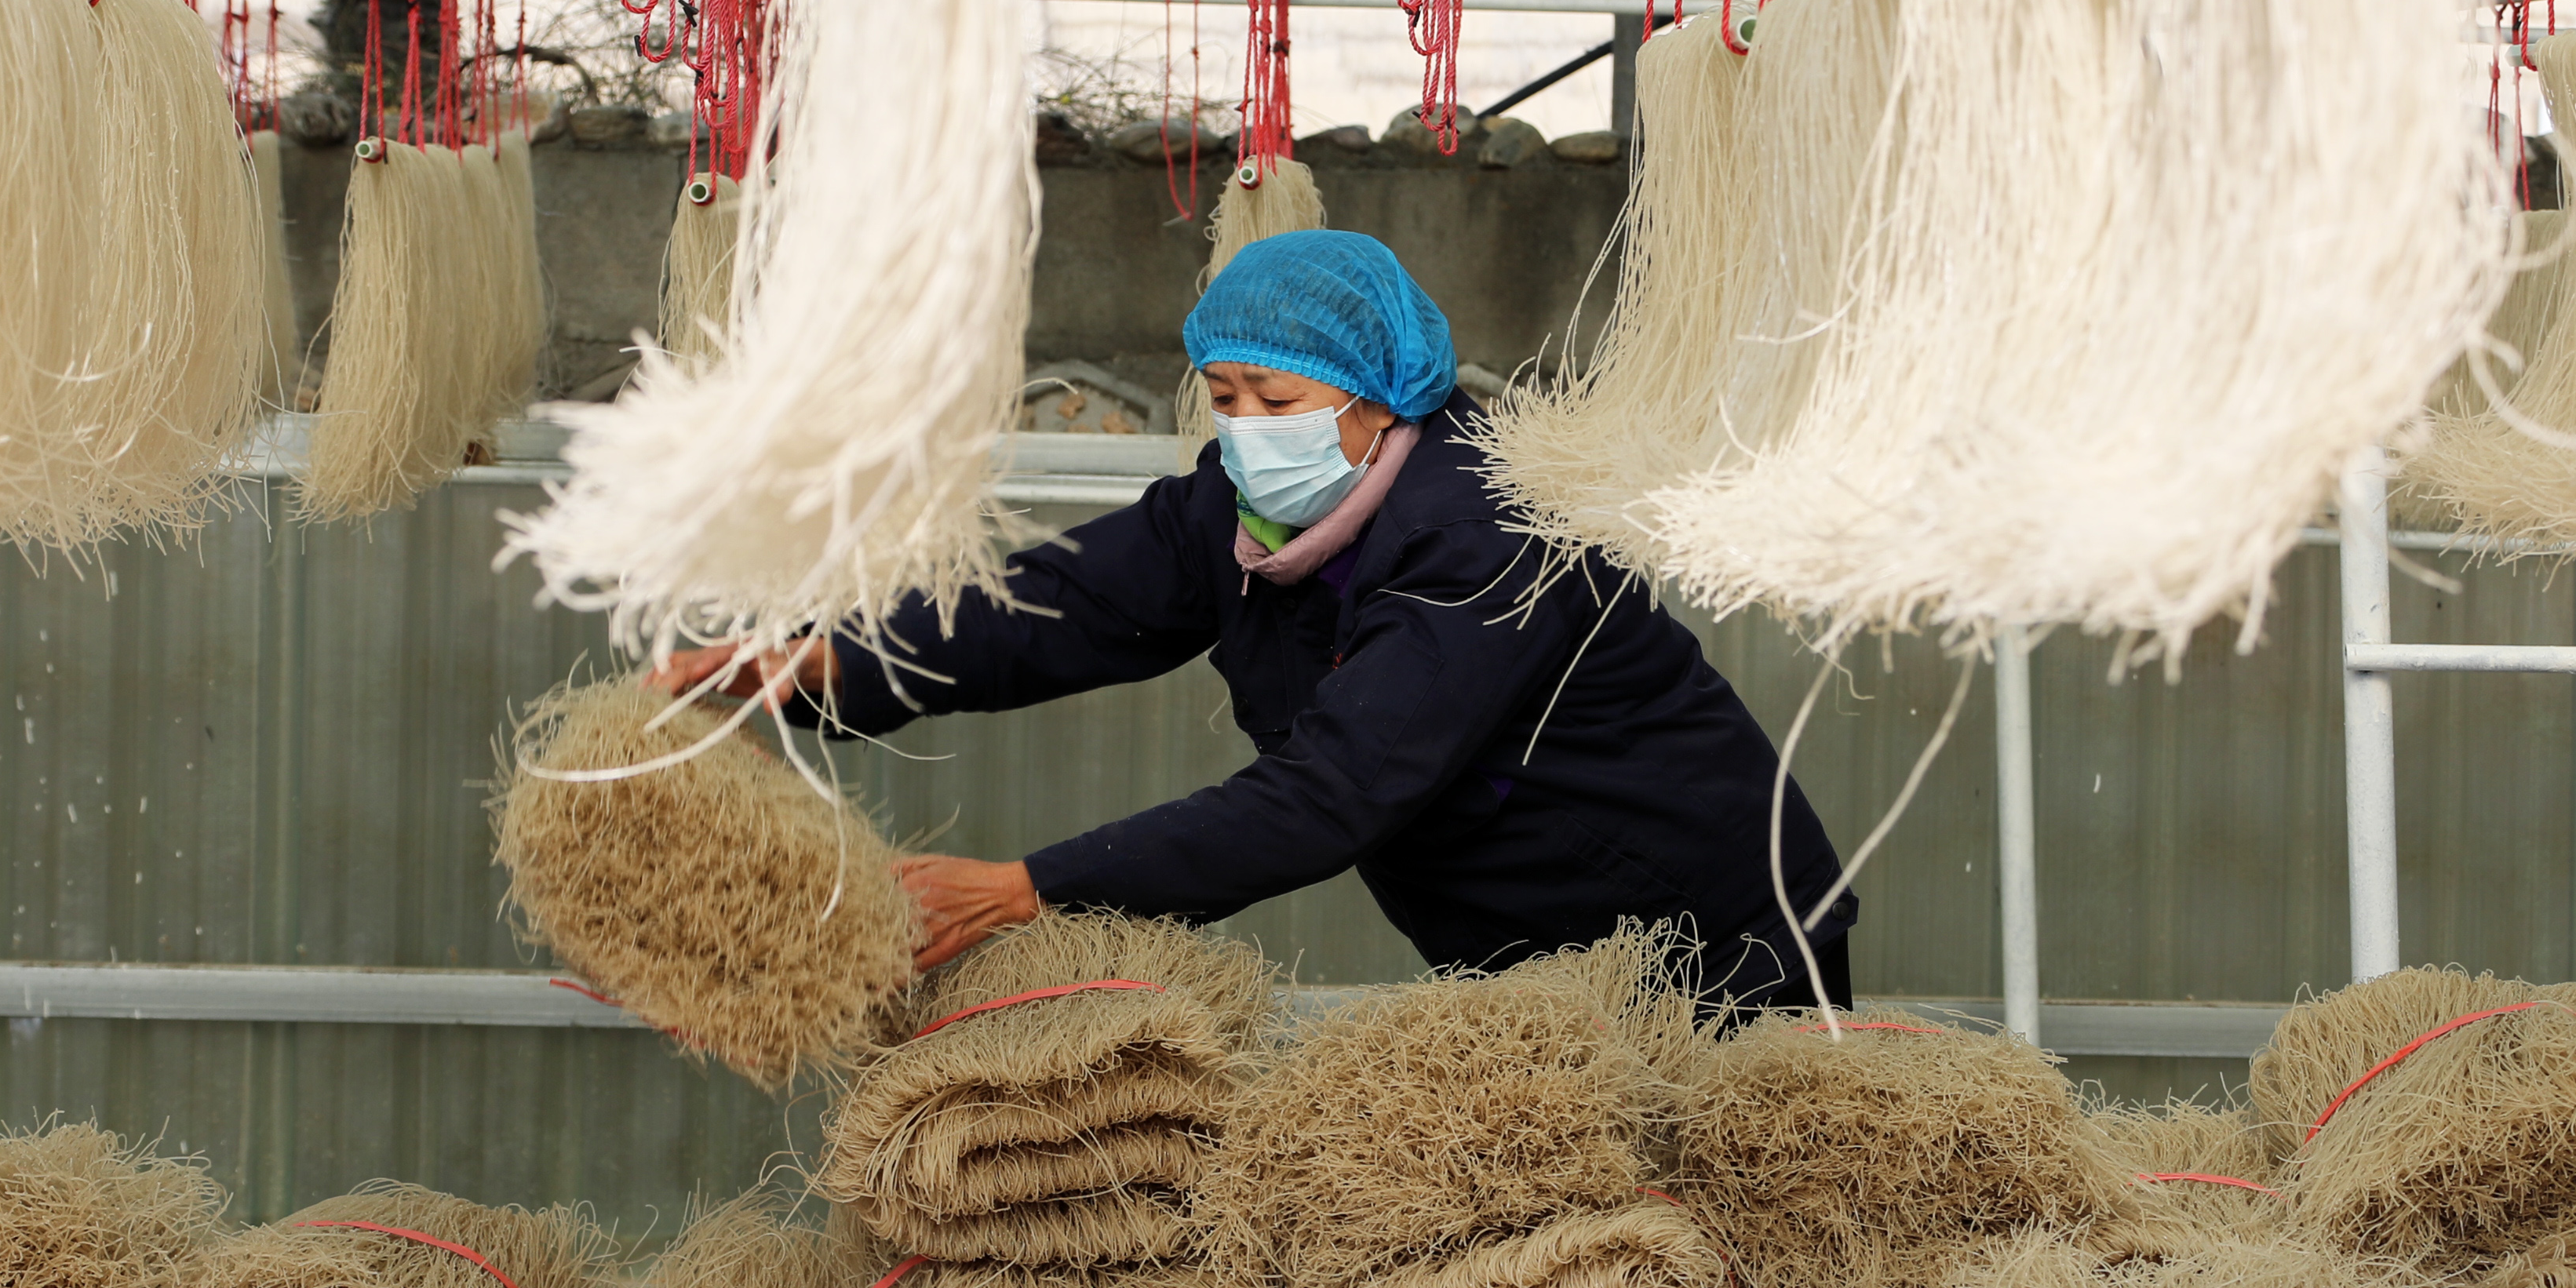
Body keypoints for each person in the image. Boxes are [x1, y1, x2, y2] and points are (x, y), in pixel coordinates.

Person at [665, 228, 1856, 1006]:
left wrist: (1029, 887)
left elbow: (1331, 793)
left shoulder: (1488, 537)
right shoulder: (1238, 511)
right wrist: (832, 660)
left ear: (1381, 400)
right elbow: (1058, 606)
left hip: (1714, 936)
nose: (1244, 427)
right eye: (1225, 396)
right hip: (1529, 956)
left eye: (1277, 399)